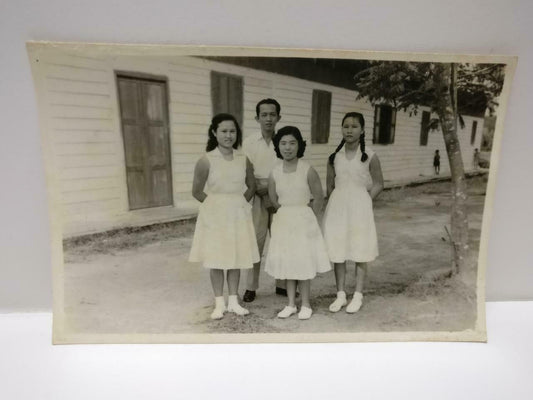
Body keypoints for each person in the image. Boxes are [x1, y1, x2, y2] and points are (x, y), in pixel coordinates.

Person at [189, 113, 259, 320]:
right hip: (216, 216)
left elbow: (252, 185)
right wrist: (215, 206)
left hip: (238, 214)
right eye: (224, 131)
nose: (229, 135)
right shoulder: (206, 160)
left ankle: (234, 302)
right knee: (217, 259)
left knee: (236, 258)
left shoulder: (242, 158)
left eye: (232, 131)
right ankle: (219, 304)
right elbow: (196, 191)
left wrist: (240, 204)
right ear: (214, 133)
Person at [264, 126, 331, 320]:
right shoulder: (274, 172)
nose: (288, 148)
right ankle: (291, 304)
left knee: (303, 262)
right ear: (278, 146)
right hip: (285, 220)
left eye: (292, 143)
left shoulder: (307, 170)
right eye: (283, 143)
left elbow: (318, 197)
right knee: (288, 263)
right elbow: (273, 198)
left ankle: (306, 304)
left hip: (303, 220)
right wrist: (286, 212)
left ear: (299, 145)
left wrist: (309, 217)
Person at [322, 112, 384, 314]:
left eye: (354, 126)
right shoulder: (334, 158)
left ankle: (357, 295)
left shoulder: (370, 156)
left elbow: (378, 184)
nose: (349, 130)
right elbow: (330, 186)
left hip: (360, 207)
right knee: (338, 251)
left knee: (360, 249)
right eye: (346, 126)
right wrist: (335, 205)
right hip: (338, 208)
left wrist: (366, 200)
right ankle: (340, 294)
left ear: (363, 130)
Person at [242, 98, 286, 303]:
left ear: (279, 117)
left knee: (281, 241)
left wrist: (273, 194)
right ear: (257, 118)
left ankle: (283, 284)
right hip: (257, 198)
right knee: (256, 241)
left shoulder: (285, 140)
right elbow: (246, 172)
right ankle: (251, 286)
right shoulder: (250, 142)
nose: (268, 119)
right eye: (264, 115)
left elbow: (288, 171)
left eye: (272, 114)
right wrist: (264, 192)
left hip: (280, 198)